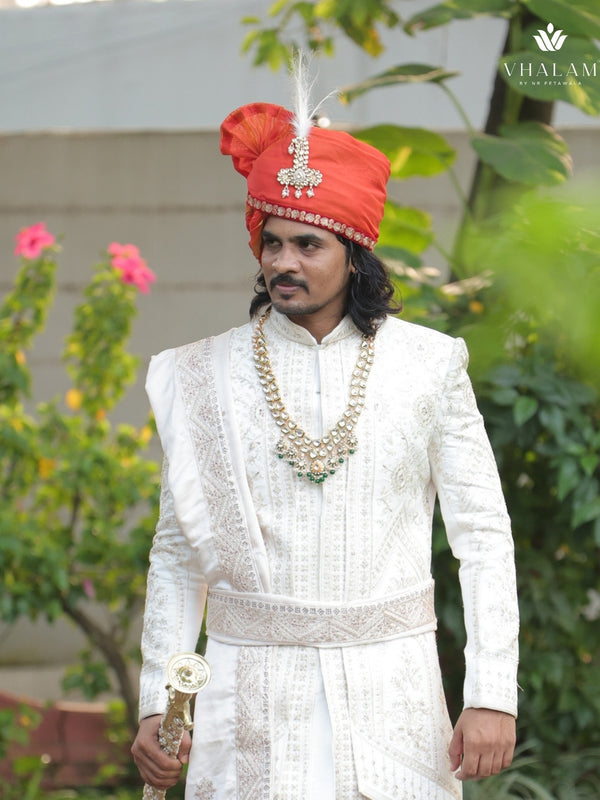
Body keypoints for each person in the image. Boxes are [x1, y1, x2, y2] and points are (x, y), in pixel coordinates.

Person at [132, 76, 519, 800]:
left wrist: (493, 691)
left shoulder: (430, 365)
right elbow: (179, 554)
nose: (283, 263)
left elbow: (484, 535)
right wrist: (160, 699)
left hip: (393, 698)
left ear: (355, 252)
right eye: (272, 242)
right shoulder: (202, 375)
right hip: (248, 700)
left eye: (307, 244)